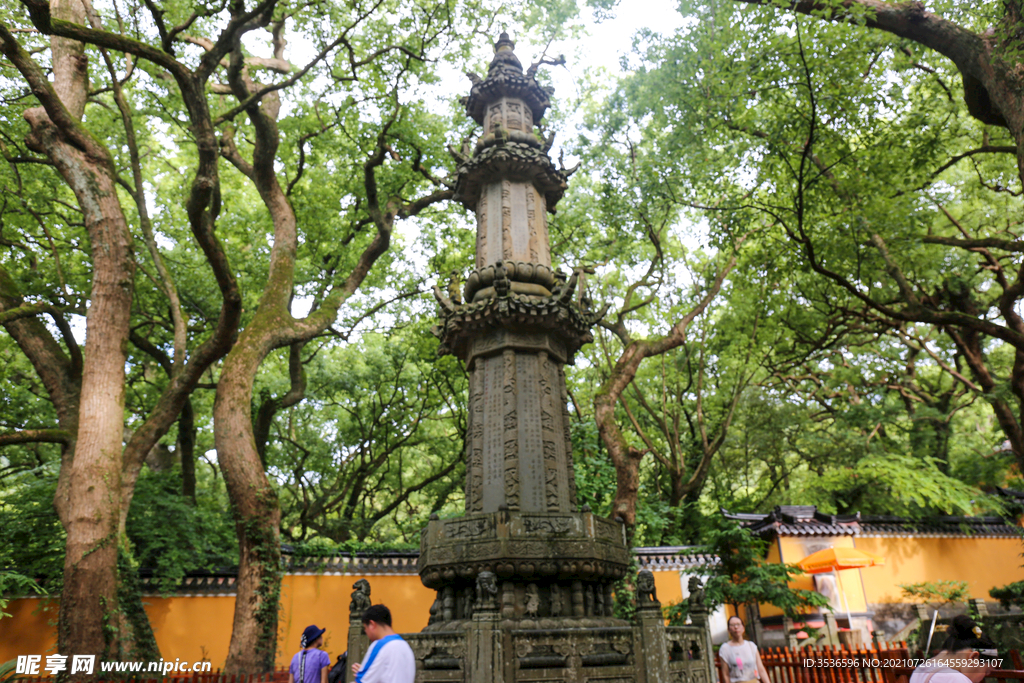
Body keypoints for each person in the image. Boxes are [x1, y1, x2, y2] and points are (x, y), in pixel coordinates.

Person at [909, 615, 1000, 683]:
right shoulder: (956, 679)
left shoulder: (919, 671)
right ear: (974, 658)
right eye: (986, 671)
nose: (983, 677)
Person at [351, 604, 416, 683]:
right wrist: (369, 671)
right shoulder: (406, 647)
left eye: (365, 628)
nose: (366, 633)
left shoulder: (380, 646)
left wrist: (365, 673)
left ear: (372, 624)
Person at [718, 616, 770, 683]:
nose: (736, 627)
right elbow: (726, 674)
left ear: (743, 628)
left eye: (738, 624)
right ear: (729, 629)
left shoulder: (751, 646)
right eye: (733, 625)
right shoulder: (725, 649)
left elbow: (761, 669)